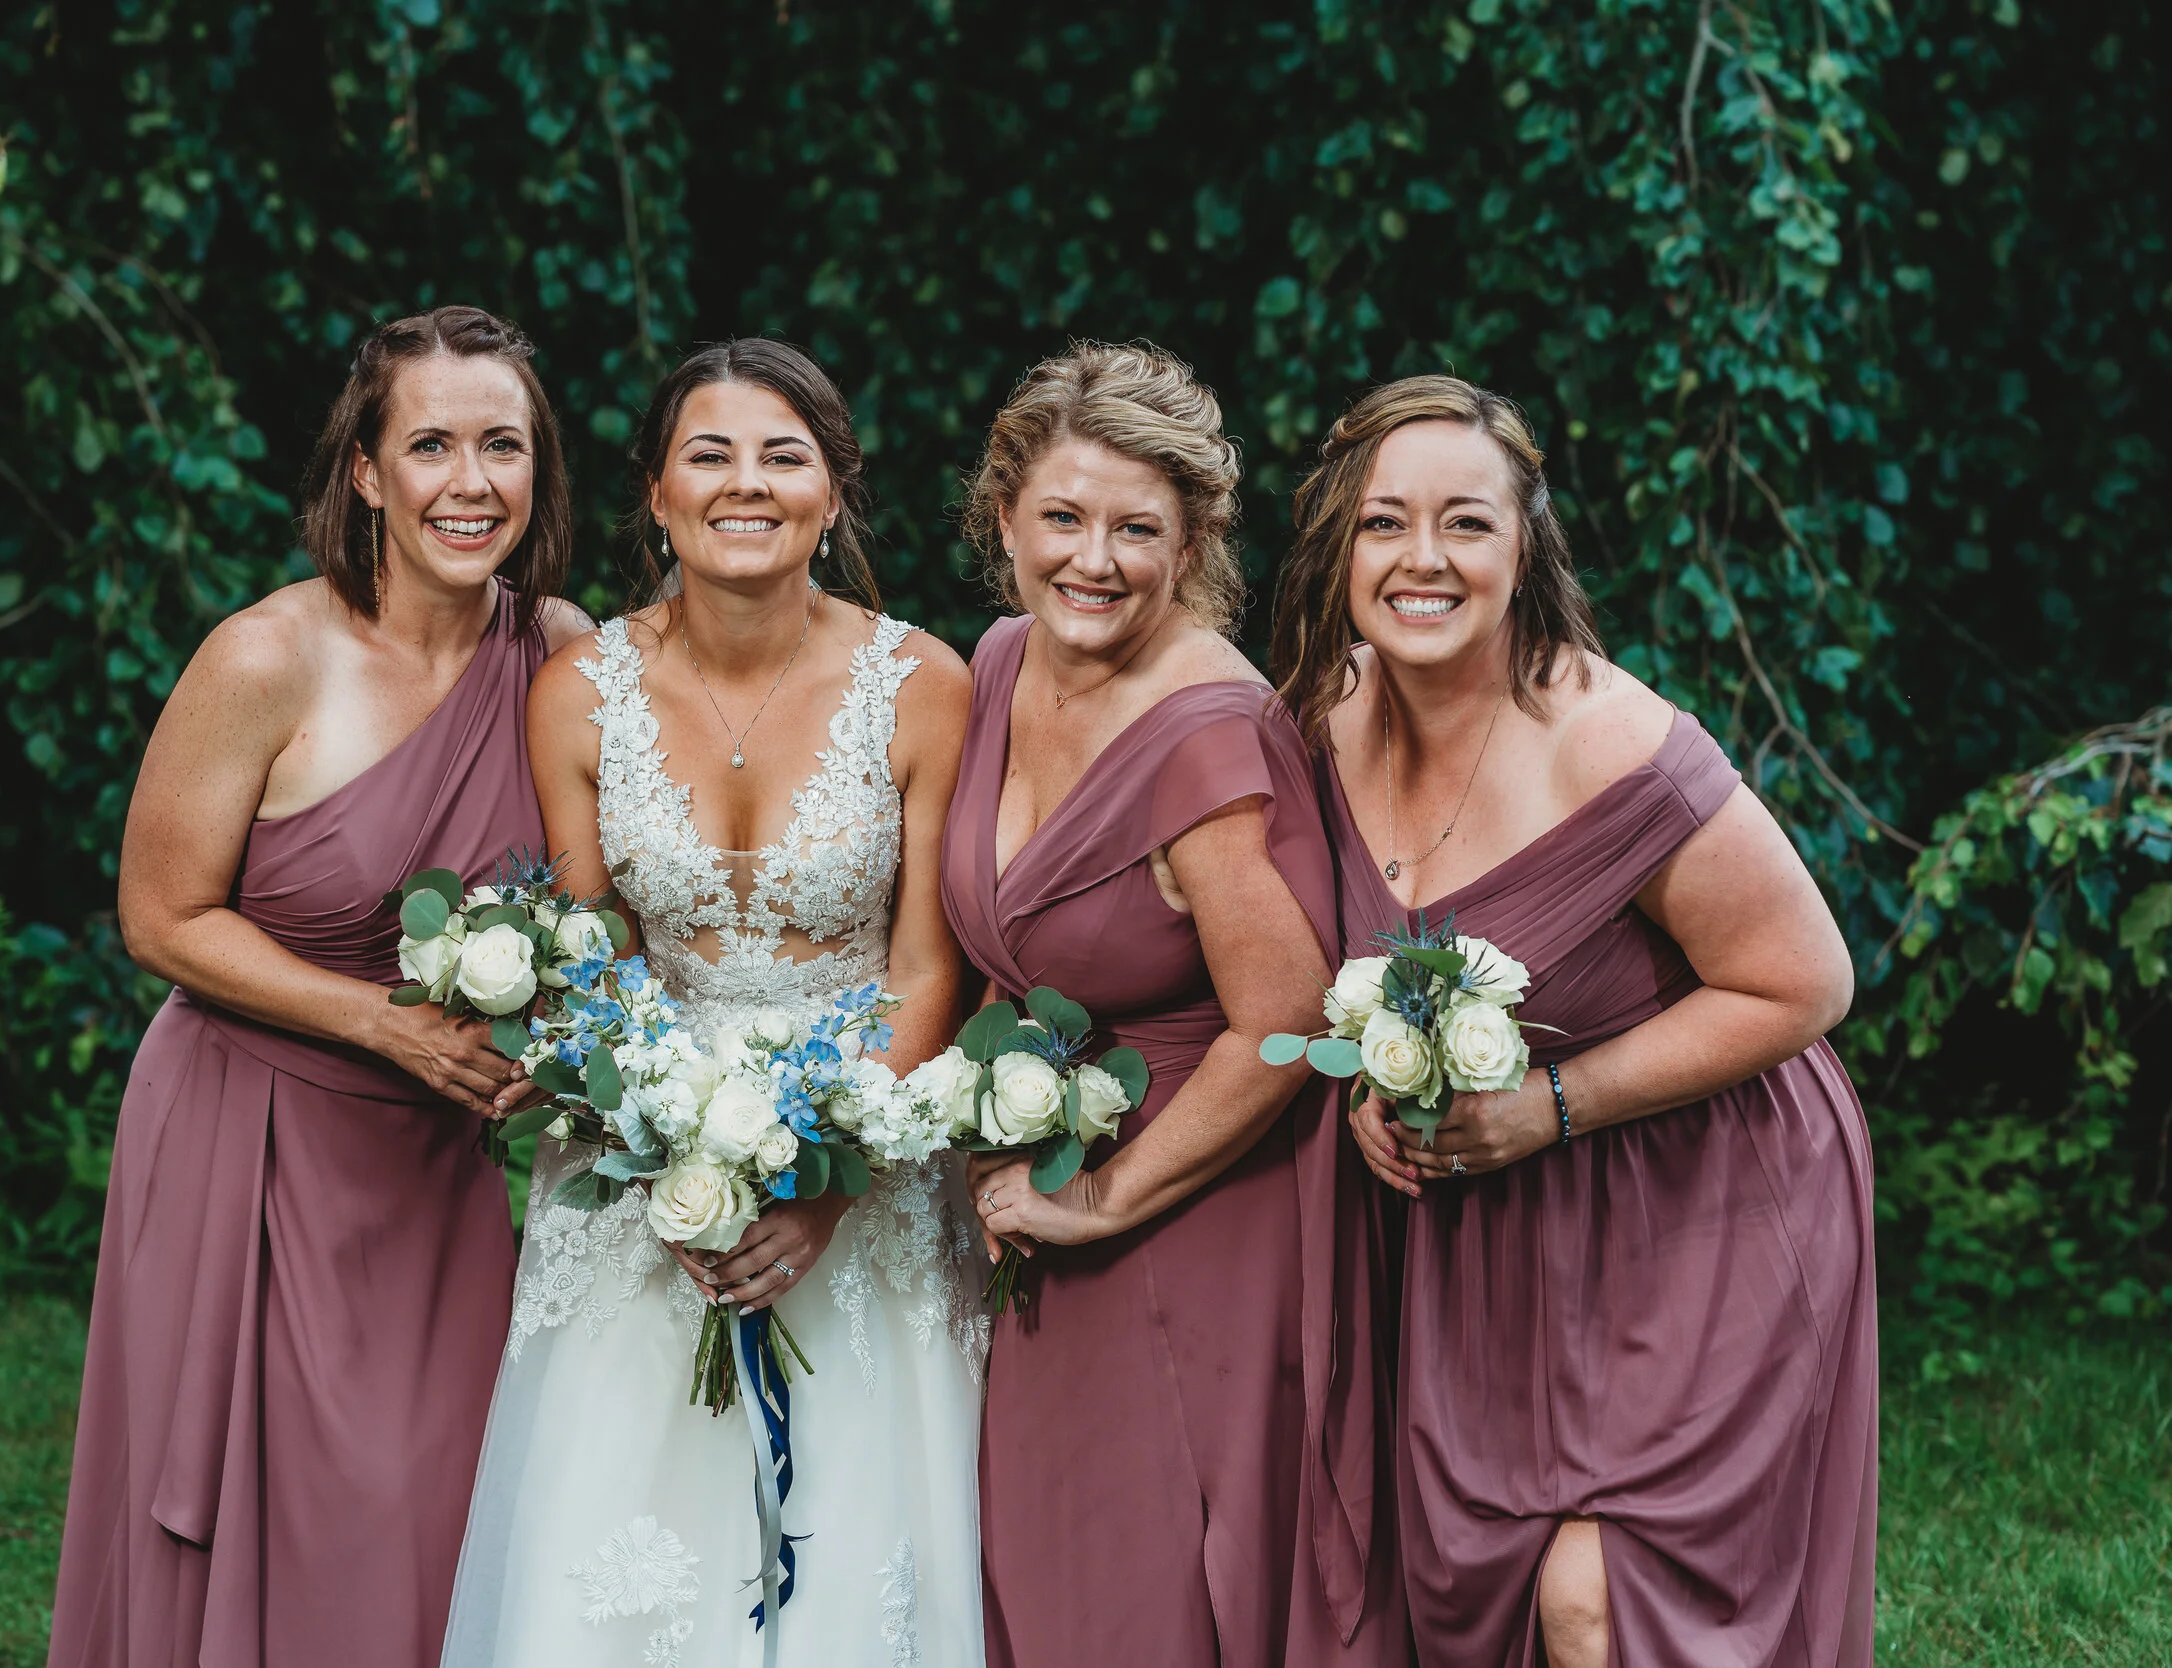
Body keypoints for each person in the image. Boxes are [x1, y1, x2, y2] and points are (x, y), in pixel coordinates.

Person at [1271, 374, 1878, 1668]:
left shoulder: (1608, 742)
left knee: (1600, 1603)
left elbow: (1805, 982)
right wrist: (1375, 1084)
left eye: (1466, 523)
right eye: (1384, 522)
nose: (1423, 558)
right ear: (1338, 544)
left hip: (1699, 1200)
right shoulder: (1325, 718)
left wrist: (1549, 1106)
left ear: (1526, 545)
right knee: (1496, 1600)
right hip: (1493, 1231)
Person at [46, 305, 590, 1668]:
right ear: (366, 471)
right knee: (261, 1512)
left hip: (432, 1165)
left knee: (434, 1509)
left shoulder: (561, 654)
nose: (472, 483)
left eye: (504, 446)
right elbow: (161, 917)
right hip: (248, 1133)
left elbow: (595, 905)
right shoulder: (265, 658)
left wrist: (559, 1047)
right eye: (432, 445)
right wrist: (382, 1023)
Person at [441, 339, 987, 1668]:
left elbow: (929, 969)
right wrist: (664, 1148)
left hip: (861, 1158)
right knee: (624, 1538)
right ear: (656, 492)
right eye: (710, 455)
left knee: (858, 1540)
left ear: (833, 491)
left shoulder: (927, 686)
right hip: (644, 1171)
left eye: (783, 457)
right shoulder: (579, 692)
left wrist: (830, 1182)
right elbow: (599, 952)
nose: (747, 484)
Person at [945, 342, 1412, 1668]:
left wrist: (1103, 1199)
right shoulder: (1001, 663)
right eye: (1063, 518)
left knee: (1149, 1592)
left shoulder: (1206, 732)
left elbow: (1284, 1022)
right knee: (1055, 1570)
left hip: (1193, 1213)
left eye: (1137, 530)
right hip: (1050, 1188)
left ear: (1193, 539)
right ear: (1004, 521)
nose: (1093, 561)